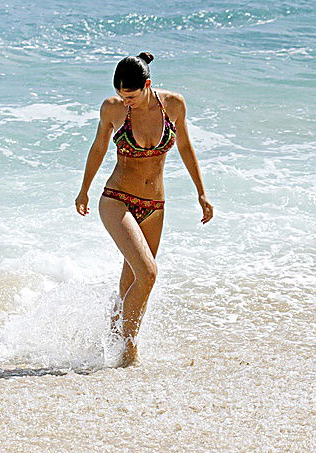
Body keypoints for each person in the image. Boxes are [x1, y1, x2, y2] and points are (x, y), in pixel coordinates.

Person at [75, 52, 214, 367]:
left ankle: (110, 336)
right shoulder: (113, 109)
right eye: (122, 96)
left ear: (147, 85)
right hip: (117, 199)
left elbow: (185, 146)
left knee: (133, 280)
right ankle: (129, 353)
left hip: (155, 206)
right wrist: (84, 189)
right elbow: (98, 147)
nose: (127, 103)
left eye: (132, 96)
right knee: (148, 274)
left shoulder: (173, 106)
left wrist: (201, 193)